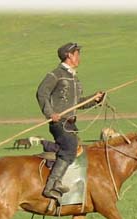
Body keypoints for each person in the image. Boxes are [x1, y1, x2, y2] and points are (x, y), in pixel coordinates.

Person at [36, 42, 105, 201]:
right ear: (69, 55)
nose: (79, 57)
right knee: (69, 149)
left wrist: (95, 99)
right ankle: (51, 185)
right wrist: (50, 113)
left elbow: (78, 103)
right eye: (77, 53)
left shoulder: (74, 78)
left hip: (71, 123)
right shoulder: (55, 75)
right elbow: (41, 93)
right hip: (59, 122)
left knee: (77, 149)